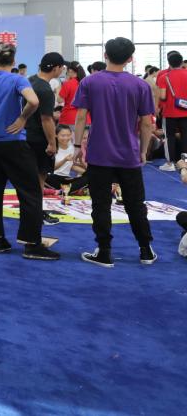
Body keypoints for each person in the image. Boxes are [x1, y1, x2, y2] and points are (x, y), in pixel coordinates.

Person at [0, 43, 58, 260]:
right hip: (15, 144)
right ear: (13, 61)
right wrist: (23, 118)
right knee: (30, 192)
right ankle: (31, 244)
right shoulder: (17, 79)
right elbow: (33, 101)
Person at [73, 37, 156, 267]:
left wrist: (77, 146)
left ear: (105, 55)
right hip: (129, 154)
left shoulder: (90, 82)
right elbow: (146, 123)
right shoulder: (140, 85)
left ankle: (104, 251)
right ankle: (145, 250)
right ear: (130, 58)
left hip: (99, 154)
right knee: (135, 204)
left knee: (100, 204)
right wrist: (143, 150)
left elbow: (81, 116)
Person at [26, 53, 66, 224]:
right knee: (39, 179)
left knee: (29, 179)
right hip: (39, 139)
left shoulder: (30, 81)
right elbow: (46, 119)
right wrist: (52, 143)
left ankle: (30, 211)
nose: (62, 70)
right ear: (56, 68)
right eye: (62, 67)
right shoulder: (45, 89)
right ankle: (36, 214)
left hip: (25, 135)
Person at [156, 50, 187, 171]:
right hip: (185, 111)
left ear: (169, 63)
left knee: (169, 137)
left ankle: (170, 164)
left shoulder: (164, 77)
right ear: (181, 62)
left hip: (170, 111)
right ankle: (185, 162)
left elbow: (163, 96)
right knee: (185, 136)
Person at [45, 126, 89, 195]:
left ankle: (64, 191)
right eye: (63, 135)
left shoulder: (74, 148)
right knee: (43, 175)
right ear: (56, 135)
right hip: (54, 177)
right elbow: (50, 168)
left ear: (71, 135)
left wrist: (80, 159)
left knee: (90, 175)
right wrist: (64, 160)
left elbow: (77, 166)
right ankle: (68, 191)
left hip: (68, 179)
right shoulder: (52, 148)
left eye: (68, 135)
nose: (66, 138)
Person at [58, 61, 86, 126]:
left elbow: (59, 100)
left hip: (69, 118)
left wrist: (60, 86)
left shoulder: (68, 84)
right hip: (85, 118)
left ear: (70, 71)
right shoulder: (86, 83)